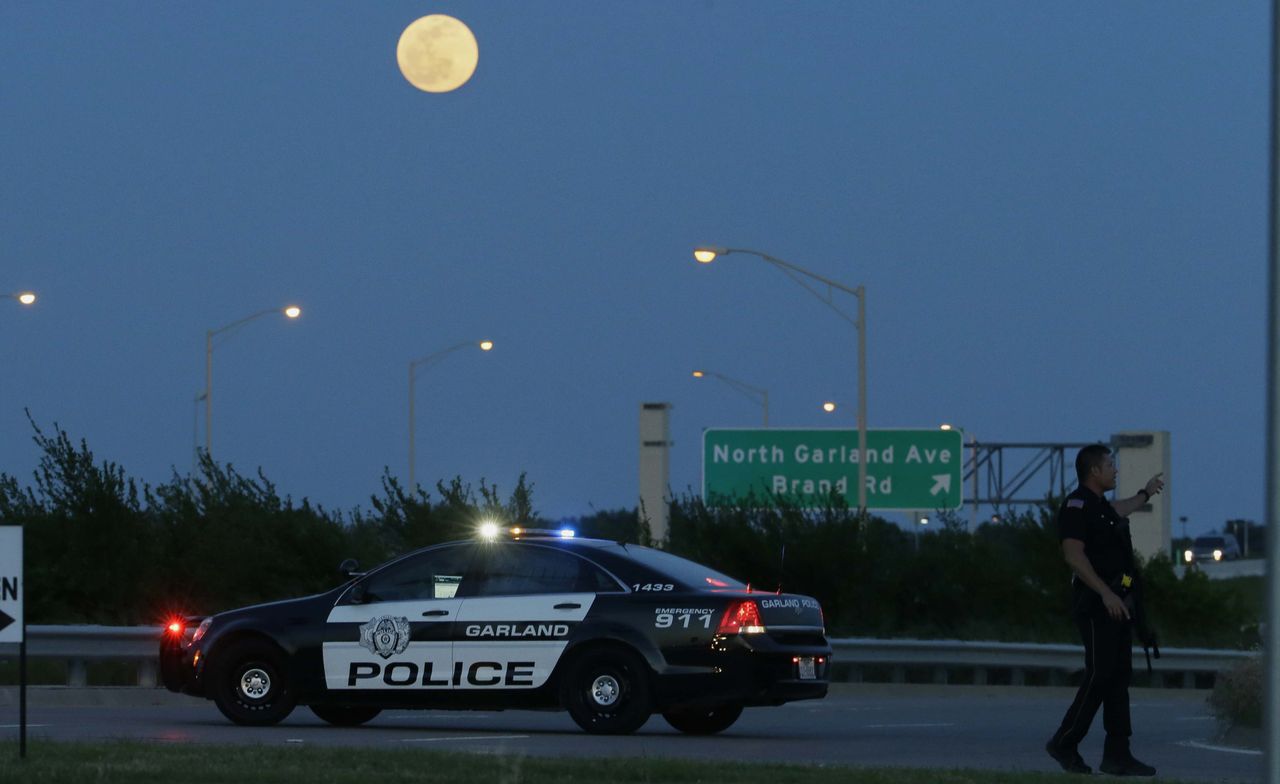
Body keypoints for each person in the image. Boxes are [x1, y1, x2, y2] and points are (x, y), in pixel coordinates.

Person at [1045, 444, 1164, 777]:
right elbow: (1073, 555)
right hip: (1097, 604)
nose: (1116, 470)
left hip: (1119, 604)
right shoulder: (1076, 505)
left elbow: (1120, 509)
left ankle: (1118, 754)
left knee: (1118, 678)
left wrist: (1146, 493)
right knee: (1099, 674)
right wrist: (1106, 594)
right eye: (1111, 464)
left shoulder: (1100, 506)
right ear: (1094, 471)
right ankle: (1064, 743)